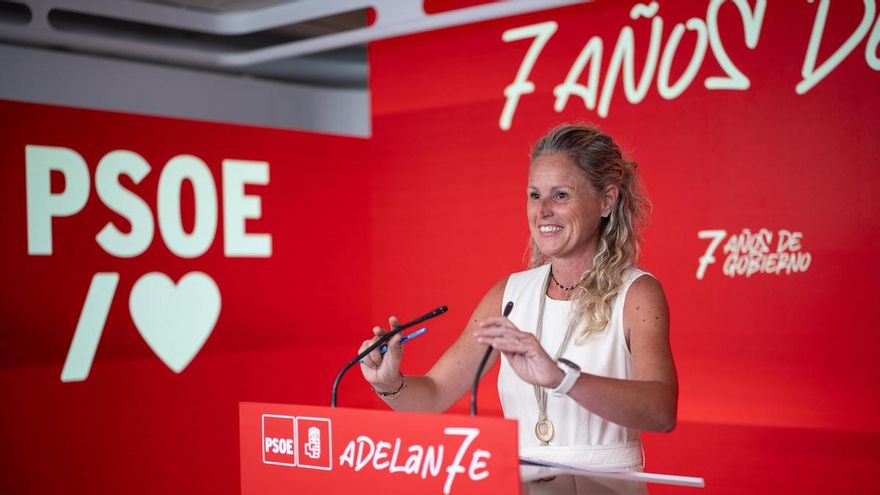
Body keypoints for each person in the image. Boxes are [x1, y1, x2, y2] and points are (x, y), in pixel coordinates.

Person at [358, 123, 678, 494]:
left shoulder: (637, 293)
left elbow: (661, 411)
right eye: (534, 195)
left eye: (560, 195)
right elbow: (433, 394)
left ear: (606, 200)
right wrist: (389, 383)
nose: (542, 211)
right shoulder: (509, 294)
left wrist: (562, 379)